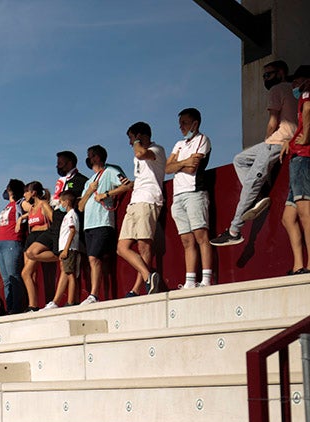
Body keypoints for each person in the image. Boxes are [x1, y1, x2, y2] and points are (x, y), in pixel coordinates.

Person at [213, 60, 299, 246]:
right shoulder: (296, 89)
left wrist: (267, 144)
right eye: (264, 76)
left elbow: (272, 123)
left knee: (251, 181)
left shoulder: (277, 90)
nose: (265, 79)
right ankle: (258, 196)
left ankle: (234, 230)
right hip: (284, 140)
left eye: (269, 75)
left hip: (276, 142)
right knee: (240, 159)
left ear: (281, 73)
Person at [109, 122, 165, 297]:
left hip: (149, 200)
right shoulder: (138, 156)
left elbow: (141, 154)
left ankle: (138, 287)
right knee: (121, 248)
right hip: (135, 201)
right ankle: (149, 277)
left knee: (143, 245)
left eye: (131, 138)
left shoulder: (156, 150)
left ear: (140, 136)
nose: (130, 143)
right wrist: (131, 184)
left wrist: (137, 142)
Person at [166, 107, 214, 288]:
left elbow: (193, 167)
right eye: (180, 124)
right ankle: (190, 281)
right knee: (186, 240)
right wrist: (183, 163)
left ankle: (207, 279)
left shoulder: (203, 139)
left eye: (184, 123)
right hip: (177, 196)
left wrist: (178, 164)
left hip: (195, 192)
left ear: (195, 123)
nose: (181, 127)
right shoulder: (178, 144)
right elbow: (166, 168)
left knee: (201, 235)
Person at [78, 145, 128, 304]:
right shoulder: (89, 182)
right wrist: (89, 191)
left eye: (91, 155)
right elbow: (80, 206)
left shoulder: (111, 171)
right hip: (89, 225)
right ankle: (98, 294)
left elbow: (127, 185)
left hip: (103, 221)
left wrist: (106, 194)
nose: (88, 159)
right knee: (95, 260)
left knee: (94, 257)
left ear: (98, 157)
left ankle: (94, 295)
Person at [283, 65, 310, 275]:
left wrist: (306, 136)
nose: (294, 85)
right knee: (288, 217)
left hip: (303, 158)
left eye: (296, 81)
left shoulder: (307, 94)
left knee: (305, 213)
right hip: (297, 158)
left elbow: (308, 110)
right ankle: (298, 265)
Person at [20, 181, 59, 311]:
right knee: (30, 275)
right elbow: (23, 207)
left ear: (33, 192)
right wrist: (20, 219)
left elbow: (54, 220)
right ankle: (33, 305)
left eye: (26, 191)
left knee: (33, 273)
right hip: (31, 239)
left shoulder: (43, 204)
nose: (24, 194)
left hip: (43, 237)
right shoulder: (31, 208)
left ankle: (43, 303)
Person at [44, 191, 83, 308]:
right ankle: (71, 300)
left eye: (61, 202)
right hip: (66, 248)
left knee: (70, 274)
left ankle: (71, 301)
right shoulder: (67, 215)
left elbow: (72, 231)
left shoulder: (71, 215)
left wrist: (66, 249)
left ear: (66, 202)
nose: (60, 205)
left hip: (69, 248)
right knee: (67, 272)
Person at [0, 179, 27, 314]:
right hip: (1, 243)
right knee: (6, 279)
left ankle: (17, 306)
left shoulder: (21, 203)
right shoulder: (7, 205)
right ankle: (10, 307)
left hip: (12, 241)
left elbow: (34, 210)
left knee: (14, 275)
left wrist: (21, 219)